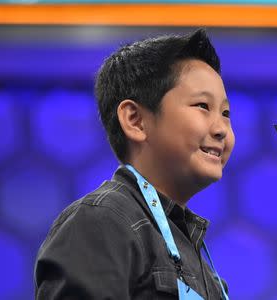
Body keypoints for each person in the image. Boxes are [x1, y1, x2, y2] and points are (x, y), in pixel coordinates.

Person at [34, 29, 235, 300]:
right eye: (202, 105)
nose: (222, 128)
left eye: (226, 113)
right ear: (135, 120)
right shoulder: (101, 222)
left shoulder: (197, 259)